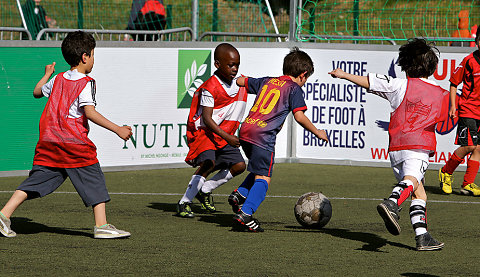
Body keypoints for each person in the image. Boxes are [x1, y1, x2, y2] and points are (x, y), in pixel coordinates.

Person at [0, 31, 132, 239]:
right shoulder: (86, 82)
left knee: (37, 180)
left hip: (49, 140)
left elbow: (36, 92)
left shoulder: (58, 78)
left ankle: (4, 215)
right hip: (73, 142)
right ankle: (102, 225)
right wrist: (118, 129)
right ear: (85, 57)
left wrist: (47, 74)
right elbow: (89, 112)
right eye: (93, 55)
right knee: (93, 176)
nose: (93, 60)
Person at [329, 38, 448, 251]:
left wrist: (344, 74)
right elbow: (444, 120)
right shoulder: (441, 94)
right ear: (432, 66)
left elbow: (370, 81)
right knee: (412, 181)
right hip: (419, 147)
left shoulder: (399, 85)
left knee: (419, 194)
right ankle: (392, 202)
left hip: (396, 149)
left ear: (405, 65)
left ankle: (423, 236)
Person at [228, 47, 329, 232]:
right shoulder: (294, 89)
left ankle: (239, 194)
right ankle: (245, 214)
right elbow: (299, 116)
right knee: (264, 177)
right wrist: (317, 132)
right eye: (307, 79)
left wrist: (236, 77)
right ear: (303, 74)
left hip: (246, 129)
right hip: (262, 136)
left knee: (259, 168)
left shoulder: (268, 81)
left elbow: (242, 81)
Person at [176, 43, 247, 218]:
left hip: (223, 134)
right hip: (207, 132)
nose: (235, 68)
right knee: (208, 163)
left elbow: (259, 86)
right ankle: (184, 203)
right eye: (231, 65)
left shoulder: (240, 82)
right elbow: (207, 120)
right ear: (217, 64)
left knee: (239, 166)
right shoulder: (210, 87)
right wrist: (228, 137)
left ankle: (205, 189)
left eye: (237, 64)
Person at [439, 27, 480, 197]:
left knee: (478, 148)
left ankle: (468, 184)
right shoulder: (469, 60)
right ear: (477, 41)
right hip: (468, 109)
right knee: (469, 145)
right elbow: (454, 82)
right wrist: (452, 105)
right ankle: (446, 172)